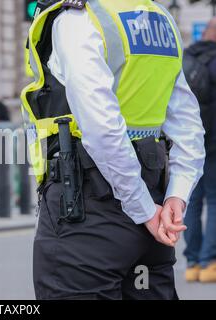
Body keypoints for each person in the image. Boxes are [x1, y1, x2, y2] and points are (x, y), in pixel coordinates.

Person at [22, 0, 205, 300]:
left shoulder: (79, 19)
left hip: (87, 209)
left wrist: (143, 209)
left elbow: (103, 129)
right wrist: (177, 195)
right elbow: (188, 125)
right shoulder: (162, 20)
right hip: (154, 206)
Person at [183, 18, 216, 283]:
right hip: (214, 144)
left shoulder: (186, 59)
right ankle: (209, 263)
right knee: (214, 202)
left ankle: (192, 263)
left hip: (191, 143)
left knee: (192, 202)